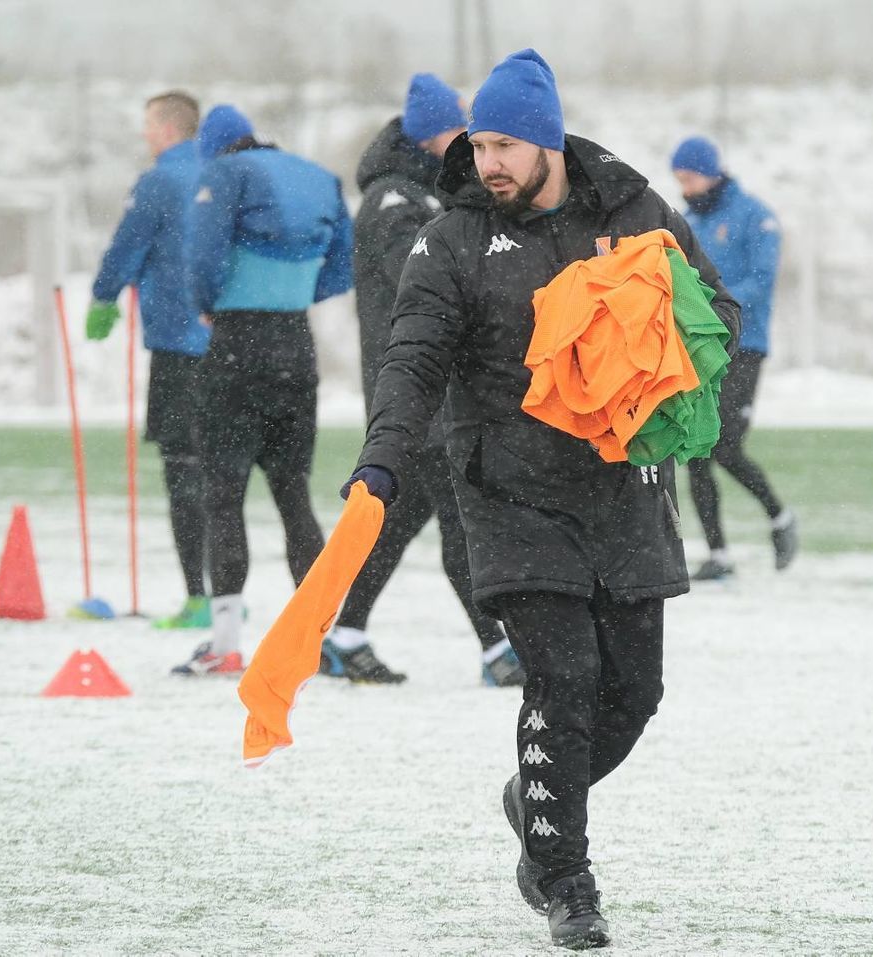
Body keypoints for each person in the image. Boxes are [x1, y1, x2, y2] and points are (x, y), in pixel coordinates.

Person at [344, 51, 740, 949]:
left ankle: (536, 796)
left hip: (624, 485)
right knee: (563, 680)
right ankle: (566, 880)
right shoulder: (449, 239)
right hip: (508, 490)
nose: (489, 162)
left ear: (549, 141)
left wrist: (657, 343)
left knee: (633, 694)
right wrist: (383, 460)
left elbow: (717, 313)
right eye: (480, 144)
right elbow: (411, 360)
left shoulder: (639, 215)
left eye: (507, 145)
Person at [325, 72, 524, 688]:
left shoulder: (426, 191)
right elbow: (429, 275)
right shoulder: (392, 199)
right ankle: (499, 651)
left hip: (438, 390)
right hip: (417, 389)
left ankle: (342, 635)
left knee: (399, 522)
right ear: (436, 134)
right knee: (461, 522)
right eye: (460, 129)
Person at [176, 104, 353, 676]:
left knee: (222, 495)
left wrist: (208, 304)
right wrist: (293, 295)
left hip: (235, 345)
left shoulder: (224, 174)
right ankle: (316, 640)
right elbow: (343, 266)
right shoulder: (318, 178)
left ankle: (225, 643)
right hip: (295, 346)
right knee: (293, 494)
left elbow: (200, 254)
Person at [87, 91, 211, 628]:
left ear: (166, 128)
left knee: (182, 467)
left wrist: (103, 295)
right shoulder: (222, 172)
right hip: (227, 340)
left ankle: (198, 598)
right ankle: (229, 591)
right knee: (220, 472)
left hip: (177, 342)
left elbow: (127, 245)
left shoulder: (160, 180)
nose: (144, 135)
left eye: (148, 125)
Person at [671, 136, 797, 580]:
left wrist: (712, 306)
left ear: (710, 172)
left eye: (689, 177)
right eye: (679, 180)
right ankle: (719, 556)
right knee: (698, 446)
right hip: (703, 348)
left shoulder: (756, 217)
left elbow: (761, 280)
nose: (684, 187)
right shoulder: (688, 222)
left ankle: (779, 515)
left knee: (725, 446)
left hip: (745, 346)